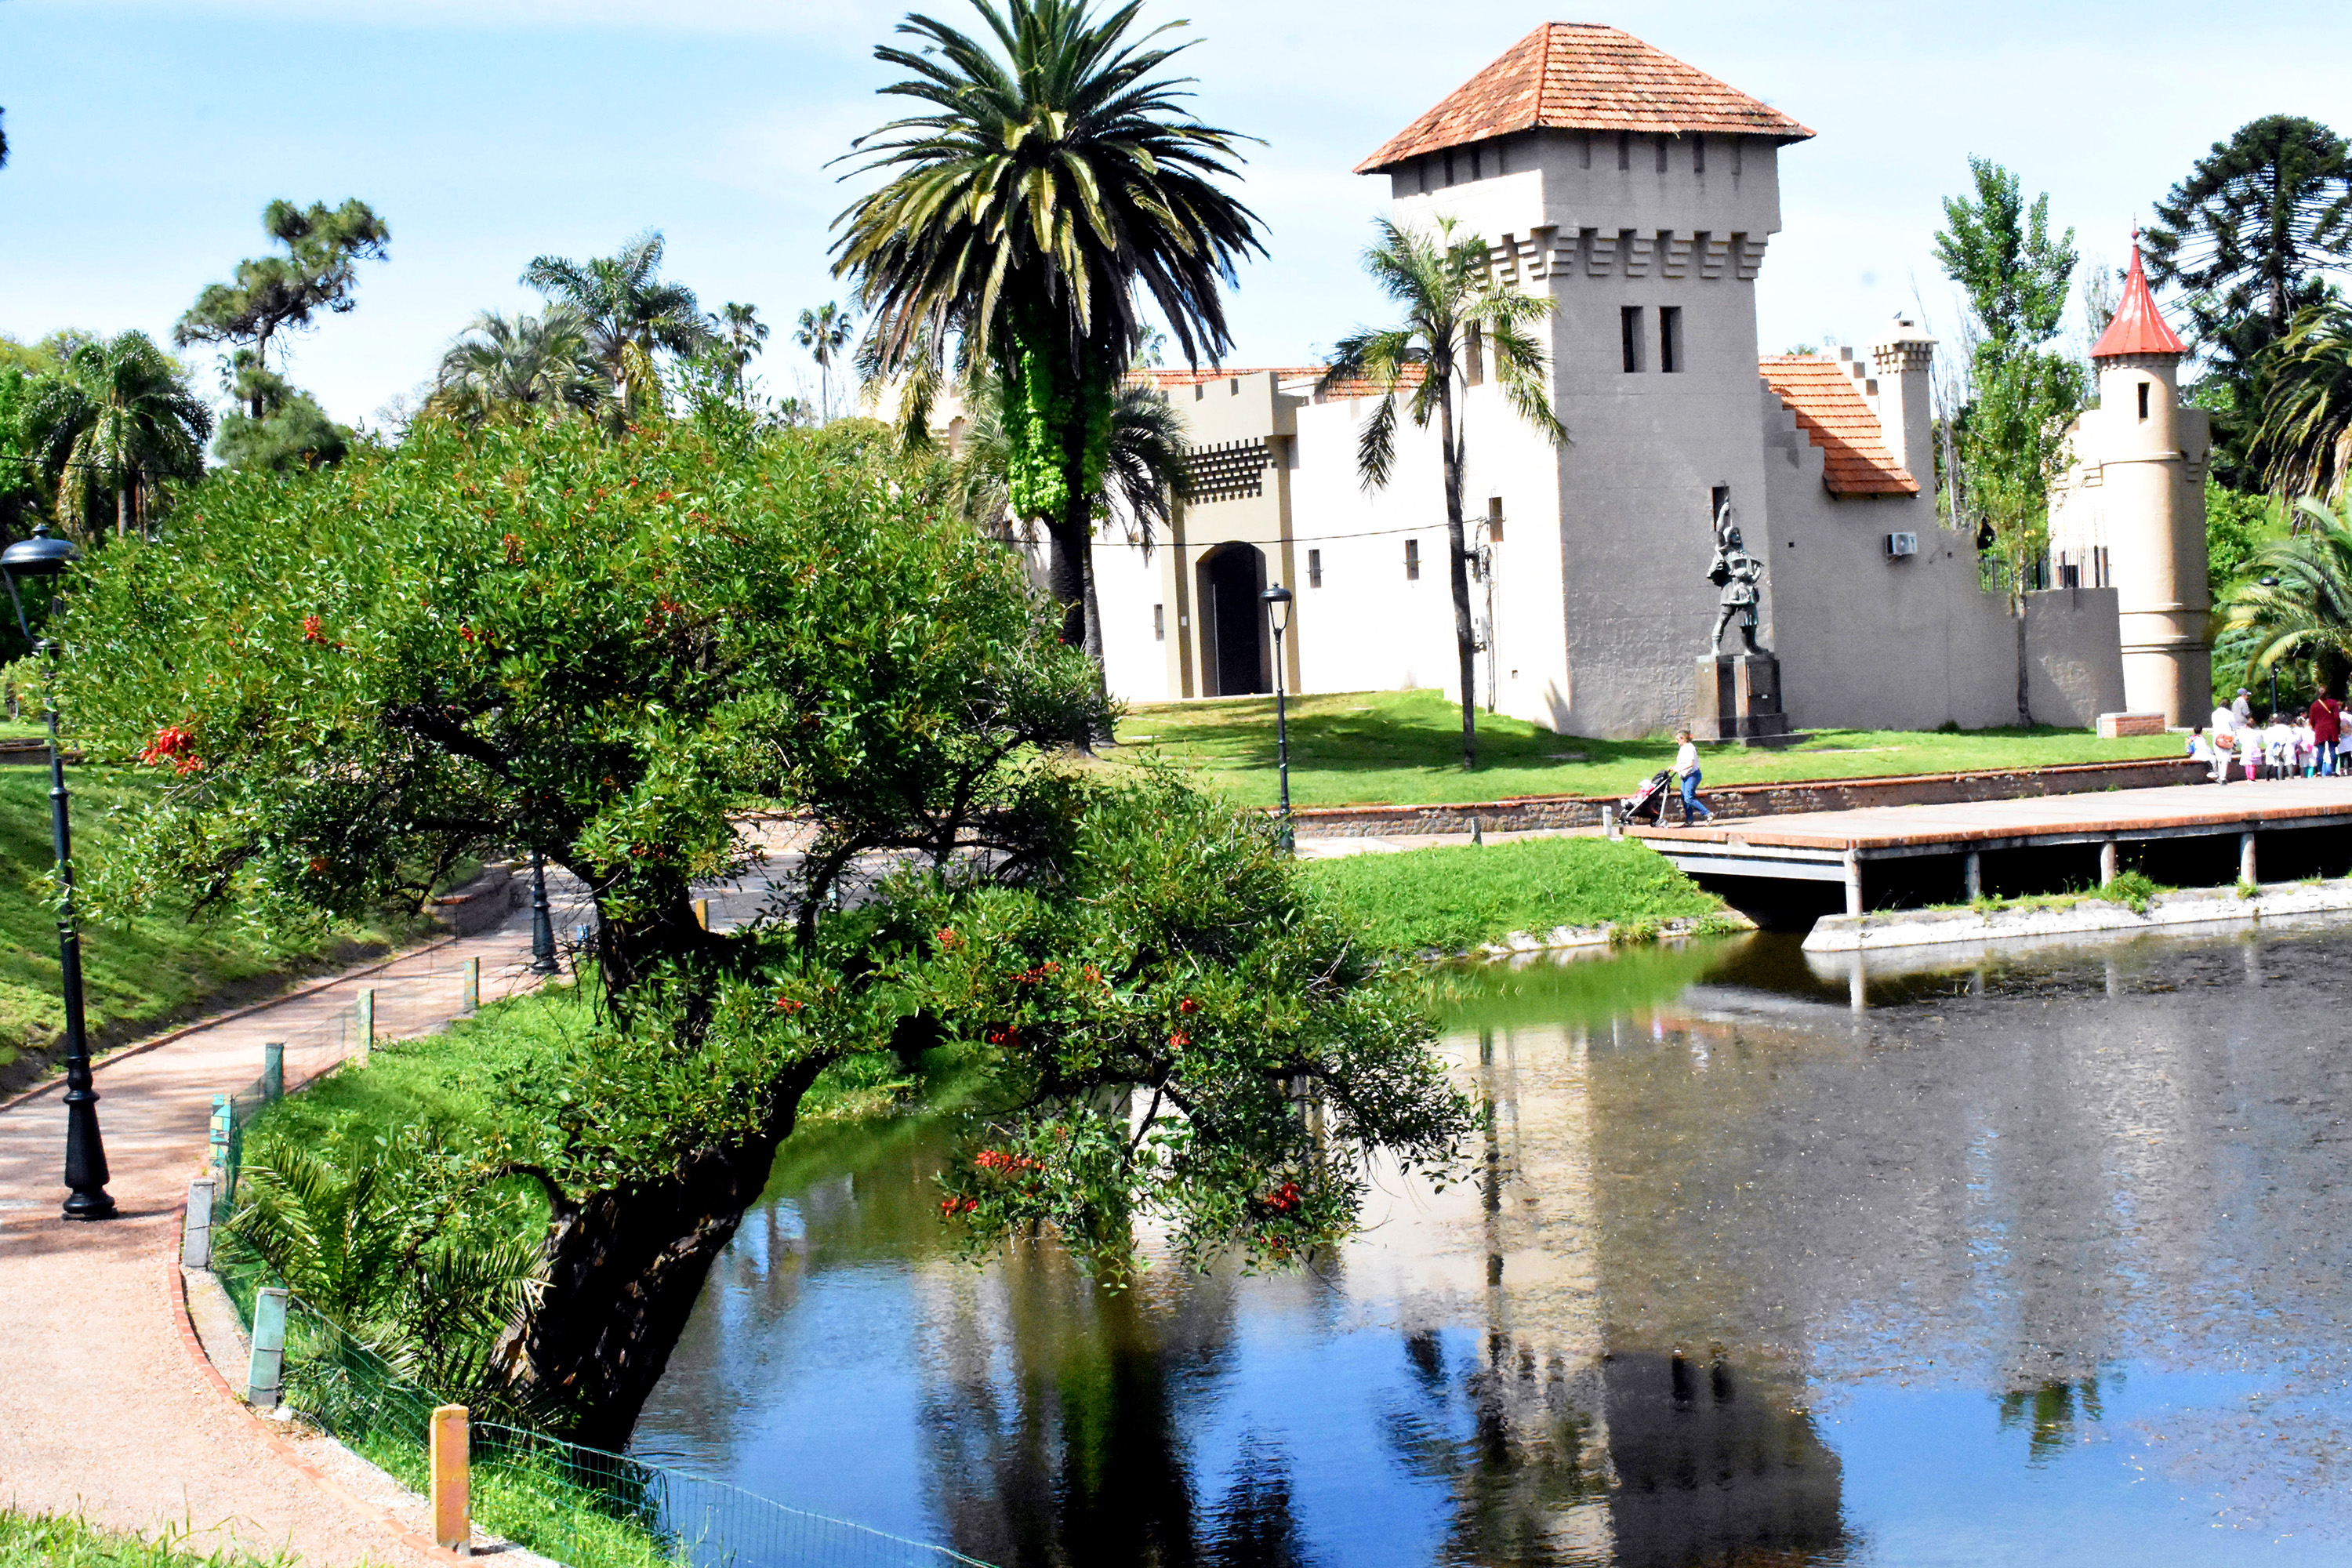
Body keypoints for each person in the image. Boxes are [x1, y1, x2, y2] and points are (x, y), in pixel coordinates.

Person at [1671, 729, 1711, 825]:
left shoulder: (1689, 748)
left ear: (1683, 739)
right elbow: (1681, 762)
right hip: (1685, 776)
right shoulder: (1683, 748)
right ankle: (1690, 820)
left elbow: (1690, 764)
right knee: (1684, 797)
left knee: (1689, 798)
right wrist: (1674, 767)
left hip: (1692, 775)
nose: (1677, 741)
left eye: (1678, 739)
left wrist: (1679, 769)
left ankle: (1708, 814)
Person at [2311, 688, 2343, 777]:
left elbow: (2312, 720)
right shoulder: (2333, 703)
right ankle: (2333, 771)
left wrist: (2315, 728)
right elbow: (2337, 717)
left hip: (2320, 729)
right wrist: (2337, 728)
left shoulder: (2314, 705)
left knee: (2320, 751)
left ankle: (2319, 771)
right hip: (2331, 728)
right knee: (2332, 749)